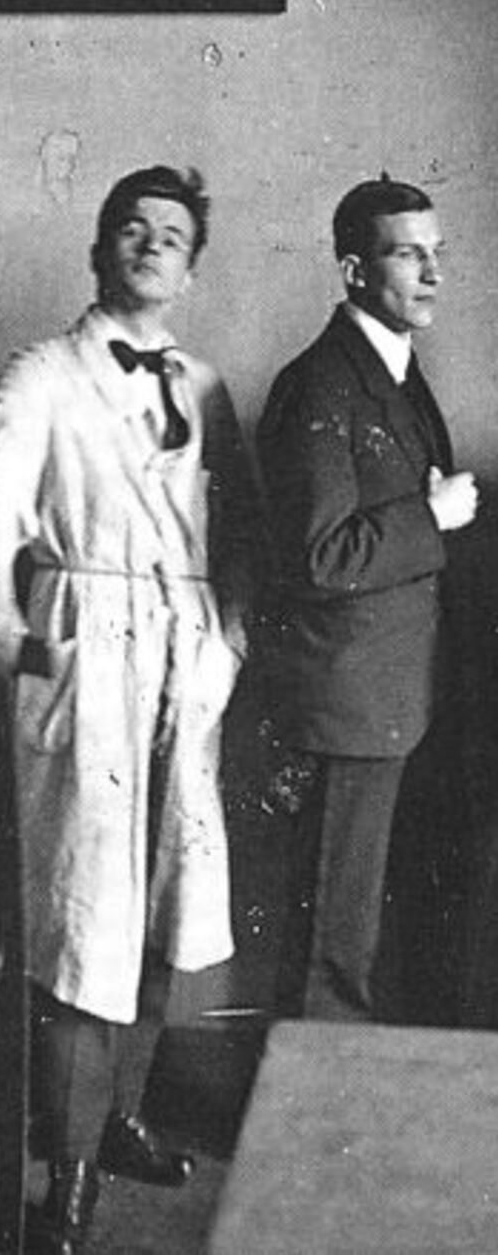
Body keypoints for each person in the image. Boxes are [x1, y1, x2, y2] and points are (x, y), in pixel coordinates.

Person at [0, 165, 257, 1254]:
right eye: (131, 228)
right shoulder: (46, 368)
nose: (151, 243)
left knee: (163, 909)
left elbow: (249, 538)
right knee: (86, 917)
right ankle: (69, 1176)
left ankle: (121, 1117)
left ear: (190, 263)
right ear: (100, 248)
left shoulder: (207, 383)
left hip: (184, 657)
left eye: (171, 233)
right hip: (84, 652)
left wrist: (227, 643)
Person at [257, 173, 478, 1023]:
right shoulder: (322, 384)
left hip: (393, 694)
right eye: (406, 255)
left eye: (437, 254)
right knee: (331, 943)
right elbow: (318, 554)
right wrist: (429, 514)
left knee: (356, 929)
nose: (431, 273)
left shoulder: (393, 367)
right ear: (353, 269)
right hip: (347, 702)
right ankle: (305, 1130)